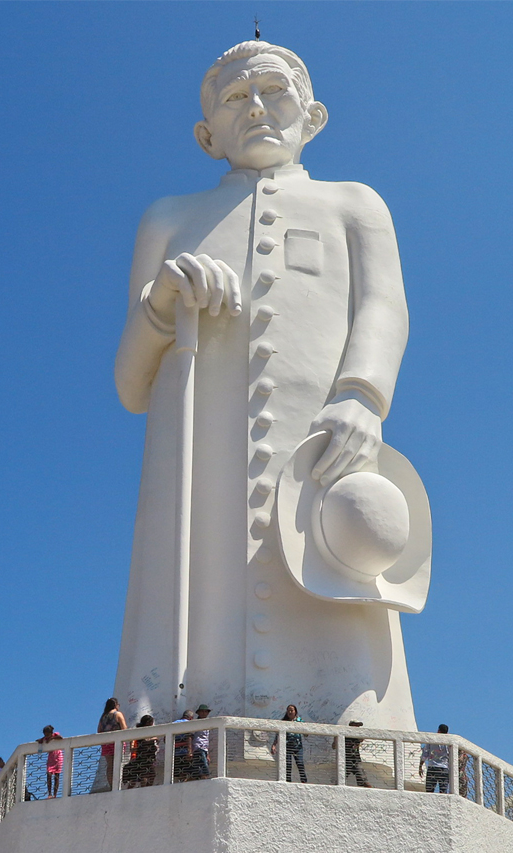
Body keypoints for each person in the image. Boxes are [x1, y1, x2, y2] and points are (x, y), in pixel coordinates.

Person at [113, 39, 419, 730]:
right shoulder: (168, 219)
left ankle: (361, 743)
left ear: (313, 115)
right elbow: (131, 385)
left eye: (274, 91)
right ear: (206, 136)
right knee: (192, 597)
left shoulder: (354, 204)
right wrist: (161, 304)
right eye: (234, 97)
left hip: (322, 448)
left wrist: (362, 395)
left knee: (338, 580)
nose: (255, 107)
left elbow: (384, 307)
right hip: (196, 464)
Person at [271, 704, 307, 783]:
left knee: (300, 763)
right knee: (288, 764)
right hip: (287, 747)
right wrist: (274, 745)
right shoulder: (284, 722)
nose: (290, 712)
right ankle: (288, 781)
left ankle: (304, 781)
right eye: (288, 711)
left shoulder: (300, 721)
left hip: (298, 747)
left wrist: (304, 730)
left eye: (292, 710)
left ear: (295, 711)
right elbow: (278, 735)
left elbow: (306, 732)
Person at [97, 698, 127, 789]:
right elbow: (124, 728)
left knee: (110, 765)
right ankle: (117, 785)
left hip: (106, 743)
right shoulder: (118, 714)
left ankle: (111, 785)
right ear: (116, 705)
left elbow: (99, 731)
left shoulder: (103, 716)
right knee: (117, 764)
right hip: (117, 742)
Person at [122, 715, 158, 788]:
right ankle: (143, 790)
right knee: (142, 777)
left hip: (149, 758)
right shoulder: (139, 733)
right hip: (142, 758)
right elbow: (133, 747)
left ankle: (145, 790)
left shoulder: (150, 733)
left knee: (150, 775)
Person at [333, 721, 372, 788]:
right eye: (356, 725)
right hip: (345, 760)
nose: (357, 728)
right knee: (340, 780)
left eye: (358, 726)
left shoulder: (357, 736)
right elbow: (334, 746)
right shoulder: (344, 736)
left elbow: (361, 739)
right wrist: (336, 738)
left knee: (364, 780)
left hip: (356, 760)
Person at [419, 724, 450, 793]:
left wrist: (420, 766)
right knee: (443, 791)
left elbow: (425, 754)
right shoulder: (449, 742)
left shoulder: (431, 740)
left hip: (432, 768)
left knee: (429, 791)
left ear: (438, 731)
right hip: (444, 768)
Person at [36, 725, 64, 798]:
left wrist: (52, 738)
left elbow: (60, 737)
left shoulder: (55, 735)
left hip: (58, 757)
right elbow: (40, 740)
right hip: (51, 758)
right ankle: (49, 793)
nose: (46, 736)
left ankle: (55, 794)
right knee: (49, 775)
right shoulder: (45, 738)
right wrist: (41, 740)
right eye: (45, 735)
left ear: (51, 733)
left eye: (47, 734)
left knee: (56, 776)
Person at [189, 704, 212, 780]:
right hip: (198, 747)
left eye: (205, 711)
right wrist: (190, 751)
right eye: (202, 711)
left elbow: (206, 739)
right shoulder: (196, 723)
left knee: (201, 766)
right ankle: (205, 779)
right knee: (204, 767)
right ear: (198, 713)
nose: (204, 713)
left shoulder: (208, 724)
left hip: (204, 748)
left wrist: (208, 754)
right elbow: (190, 736)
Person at [172, 710, 194, 782]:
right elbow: (189, 737)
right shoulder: (188, 723)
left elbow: (166, 739)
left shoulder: (174, 723)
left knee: (178, 772)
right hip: (184, 752)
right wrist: (190, 751)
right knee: (186, 772)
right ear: (191, 718)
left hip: (174, 753)